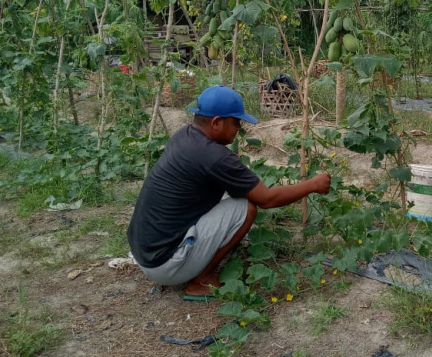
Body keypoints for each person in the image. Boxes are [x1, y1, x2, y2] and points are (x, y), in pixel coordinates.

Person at [127, 85, 331, 300]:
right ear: (216, 122)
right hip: (164, 264)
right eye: (236, 122)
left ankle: (194, 262)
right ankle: (200, 281)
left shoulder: (184, 136)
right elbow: (267, 199)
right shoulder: (215, 156)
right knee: (245, 207)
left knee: (233, 195)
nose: (239, 129)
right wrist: (313, 185)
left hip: (146, 251)